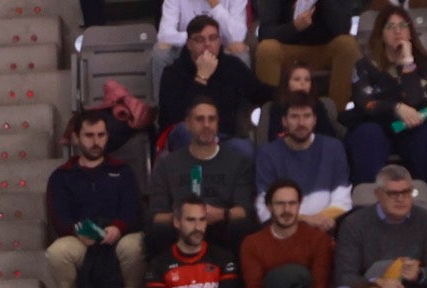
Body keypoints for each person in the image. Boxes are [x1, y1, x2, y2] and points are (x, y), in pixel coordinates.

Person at [345, 5, 427, 198]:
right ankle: (367, 198)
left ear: (410, 31)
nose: (397, 31)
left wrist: (408, 62)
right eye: (390, 27)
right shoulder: (365, 66)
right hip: (377, 125)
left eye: (403, 25)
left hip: (412, 126)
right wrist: (395, 106)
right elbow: (364, 102)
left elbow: (417, 99)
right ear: (381, 34)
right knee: (367, 135)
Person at [43, 110, 146, 288]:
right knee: (57, 252)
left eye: (101, 135)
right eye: (89, 135)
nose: (95, 141)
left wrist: (118, 228)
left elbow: (133, 210)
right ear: (75, 138)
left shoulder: (122, 171)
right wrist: (79, 233)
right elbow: (58, 217)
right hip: (81, 240)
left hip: (117, 238)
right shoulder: (61, 176)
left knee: (135, 246)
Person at [147, 101, 257, 255]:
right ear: (188, 124)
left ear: (218, 123)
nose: (206, 125)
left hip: (221, 226)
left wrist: (221, 214)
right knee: (157, 231)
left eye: (211, 119)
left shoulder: (238, 162)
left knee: (242, 226)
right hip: (179, 229)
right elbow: (156, 216)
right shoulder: (166, 163)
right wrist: (186, 218)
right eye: (199, 119)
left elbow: (244, 210)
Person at [155, 18, 261, 152]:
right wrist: (201, 78)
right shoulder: (173, 73)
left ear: (219, 41)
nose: (207, 44)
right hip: (186, 136)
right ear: (189, 44)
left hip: (223, 137)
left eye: (213, 38)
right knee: (185, 131)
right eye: (200, 40)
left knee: (245, 148)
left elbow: (259, 92)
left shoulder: (233, 67)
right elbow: (176, 116)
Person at [254, 95, 350, 233]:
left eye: (307, 116)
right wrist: (304, 220)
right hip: (284, 229)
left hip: (326, 227)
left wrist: (319, 221)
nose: (301, 122)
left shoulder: (334, 148)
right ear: (284, 121)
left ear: (314, 120)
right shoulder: (268, 154)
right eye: (294, 117)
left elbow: (343, 200)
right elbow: (263, 207)